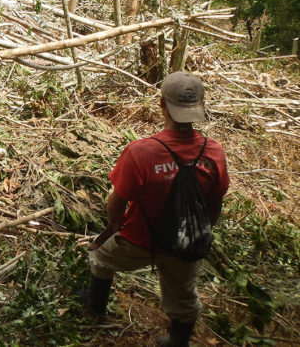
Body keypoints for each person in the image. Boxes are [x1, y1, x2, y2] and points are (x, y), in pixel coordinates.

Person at [80, 71, 229, 347]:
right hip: (186, 243)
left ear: (162, 104)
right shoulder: (214, 152)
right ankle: (177, 341)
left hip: (140, 240)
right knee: (184, 295)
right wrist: (198, 233)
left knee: (101, 257)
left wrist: (119, 222)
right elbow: (215, 205)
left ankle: (95, 308)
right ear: (200, 107)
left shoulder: (142, 152)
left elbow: (115, 204)